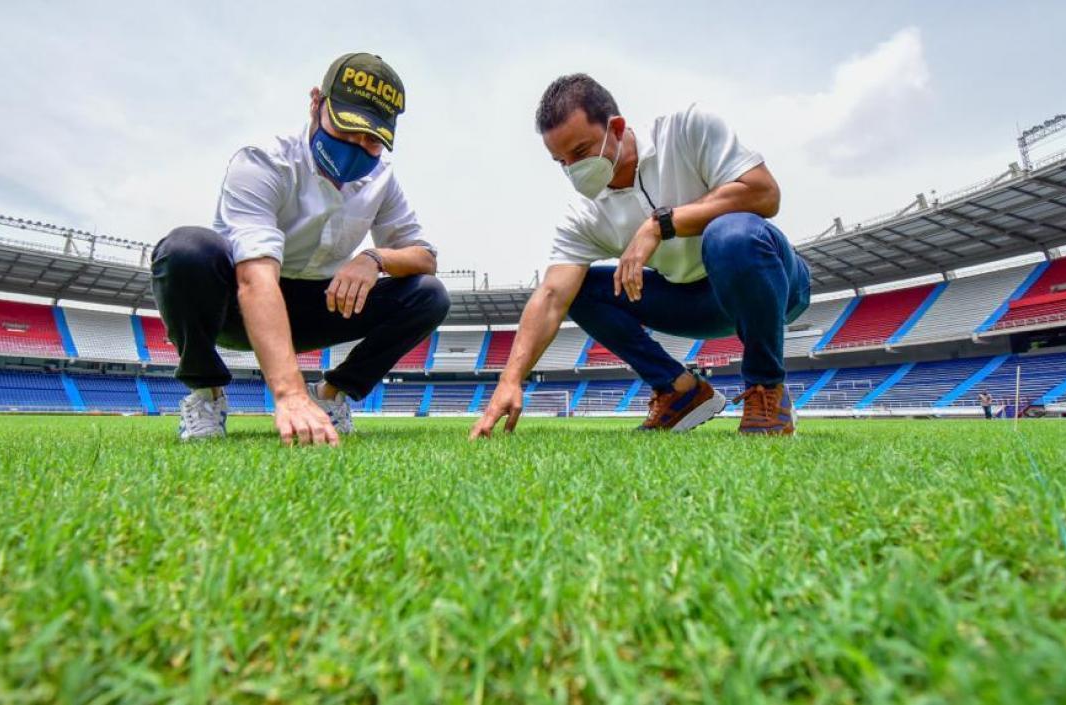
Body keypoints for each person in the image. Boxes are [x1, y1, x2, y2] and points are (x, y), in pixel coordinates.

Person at [472, 73, 809, 439]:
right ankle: (678, 390)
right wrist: (509, 380)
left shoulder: (686, 130)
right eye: (561, 162)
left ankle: (766, 390)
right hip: (694, 302)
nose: (573, 169)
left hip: (773, 283)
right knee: (577, 290)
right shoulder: (584, 215)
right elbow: (551, 297)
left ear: (616, 128)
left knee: (730, 235)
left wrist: (660, 225)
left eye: (581, 152)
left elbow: (763, 194)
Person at [152, 52, 449, 444]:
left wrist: (373, 258)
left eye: (373, 140)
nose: (358, 148)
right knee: (185, 250)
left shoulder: (383, 180)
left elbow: (425, 258)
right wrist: (289, 393)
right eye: (347, 130)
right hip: (240, 304)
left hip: (322, 304)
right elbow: (255, 278)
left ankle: (331, 394)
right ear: (316, 104)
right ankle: (206, 393)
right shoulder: (264, 161)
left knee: (429, 295)